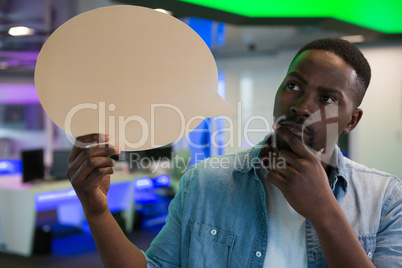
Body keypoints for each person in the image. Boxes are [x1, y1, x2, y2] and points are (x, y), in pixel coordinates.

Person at [67, 38, 402, 267]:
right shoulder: (206, 179)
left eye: (327, 98)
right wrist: (97, 213)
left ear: (351, 121)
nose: (302, 107)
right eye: (294, 86)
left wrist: (324, 212)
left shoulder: (385, 198)